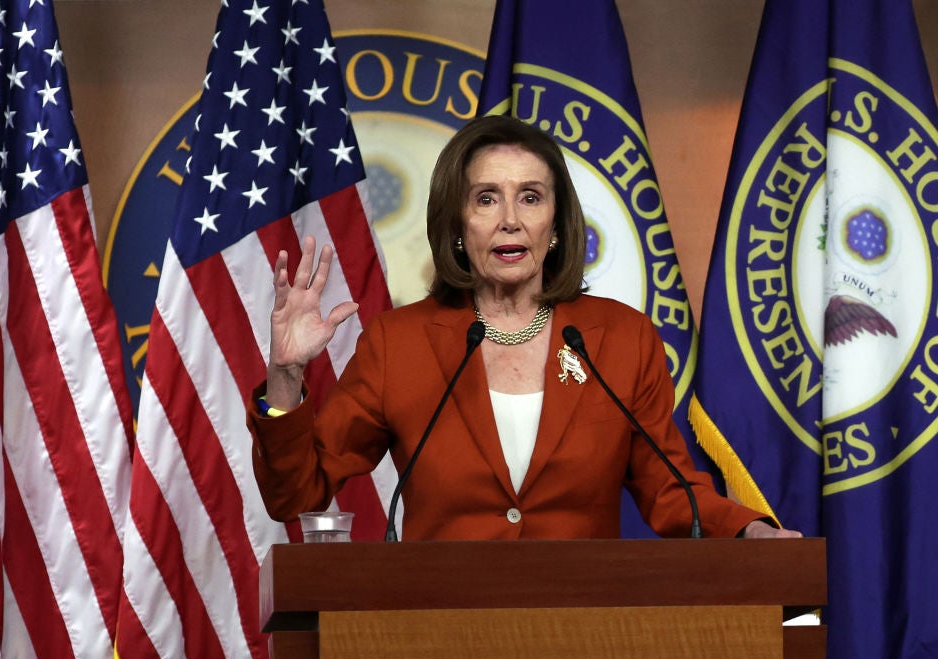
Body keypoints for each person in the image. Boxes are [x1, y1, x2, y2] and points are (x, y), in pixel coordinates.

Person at [248, 115, 799, 541]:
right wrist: (286, 374)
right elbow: (296, 496)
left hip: (585, 633)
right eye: (486, 198)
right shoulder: (400, 344)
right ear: (457, 225)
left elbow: (671, 493)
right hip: (437, 637)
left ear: (555, 225)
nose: (510, 218)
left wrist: (746, 527)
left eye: (530, 197)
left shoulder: (621, 339)